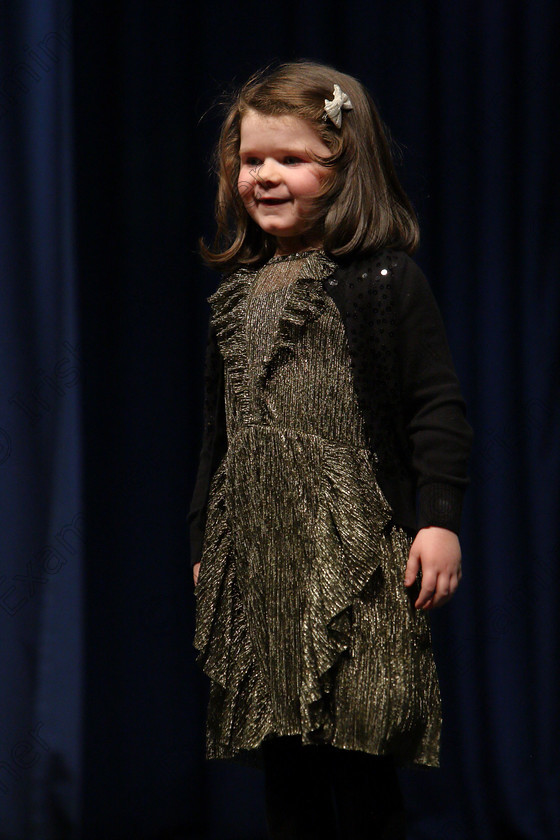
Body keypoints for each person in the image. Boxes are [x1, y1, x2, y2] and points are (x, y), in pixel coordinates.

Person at [188, 60, 473, 839]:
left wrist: (438, 518)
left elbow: (434, 409)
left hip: (358, 560)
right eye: (251, 160)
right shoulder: (239, 291)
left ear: (344, 168)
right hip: (265, 561)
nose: (267, 176)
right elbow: (220, 436)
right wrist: (206, 543)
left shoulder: (384, 280)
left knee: (360, 745)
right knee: (288, 762)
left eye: (291, 159)